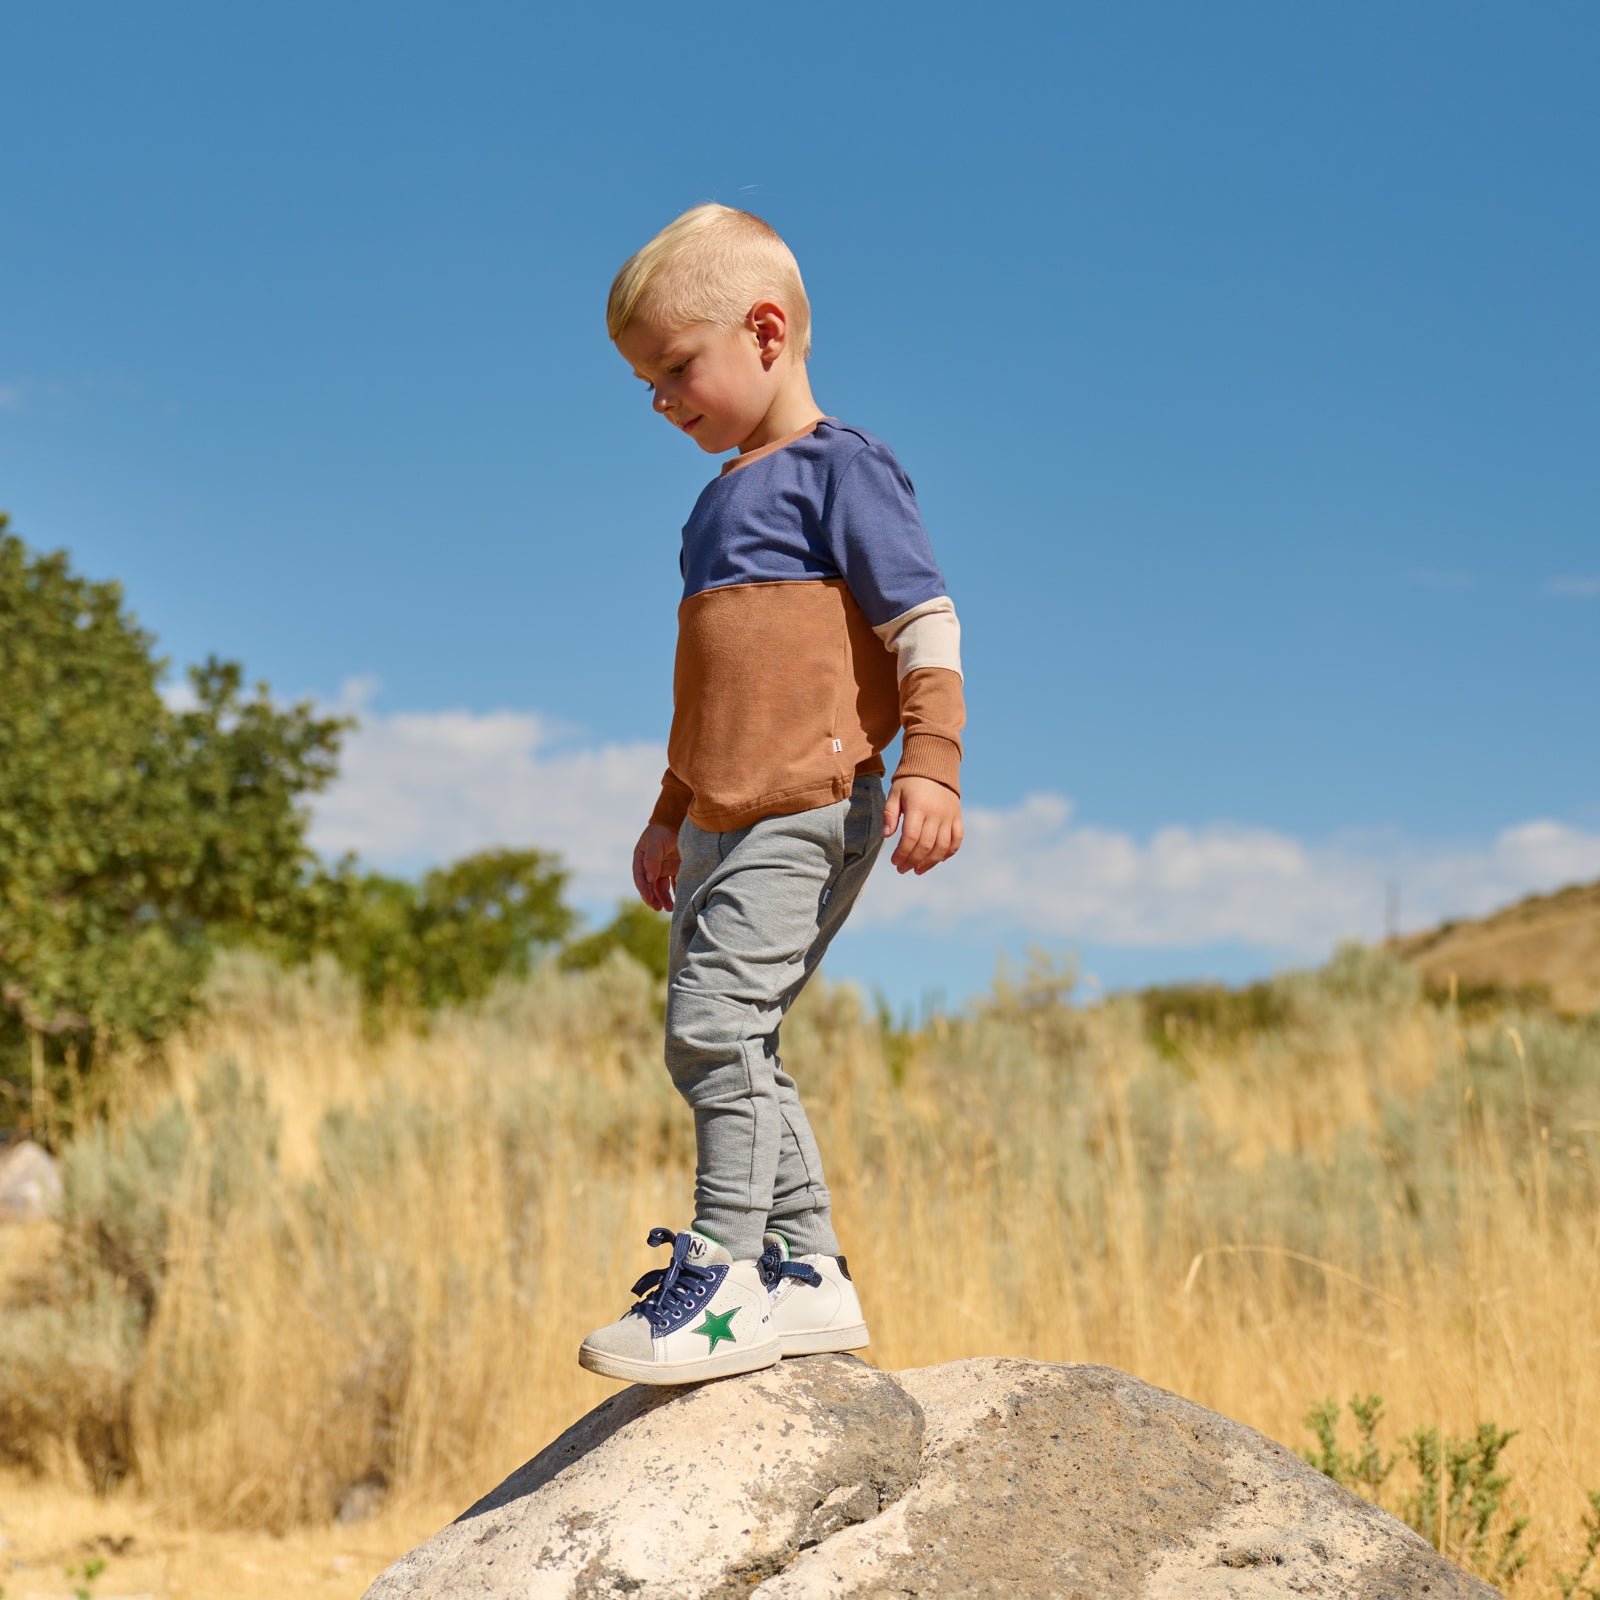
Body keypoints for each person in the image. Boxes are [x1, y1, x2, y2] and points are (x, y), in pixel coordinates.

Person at [578, 203, 966, 1384]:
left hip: (810, 799)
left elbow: (923, 621)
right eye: (646, 381)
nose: (662, 399)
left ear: (764, 329)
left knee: (713, 1031)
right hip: (717, 814)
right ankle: (809, 1276)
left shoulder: (841, 469)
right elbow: (707, 682)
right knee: (742, 1041)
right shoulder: (711, 511)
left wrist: (934, 763)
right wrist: (665, 809)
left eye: (675, 368)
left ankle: (728, 1276)